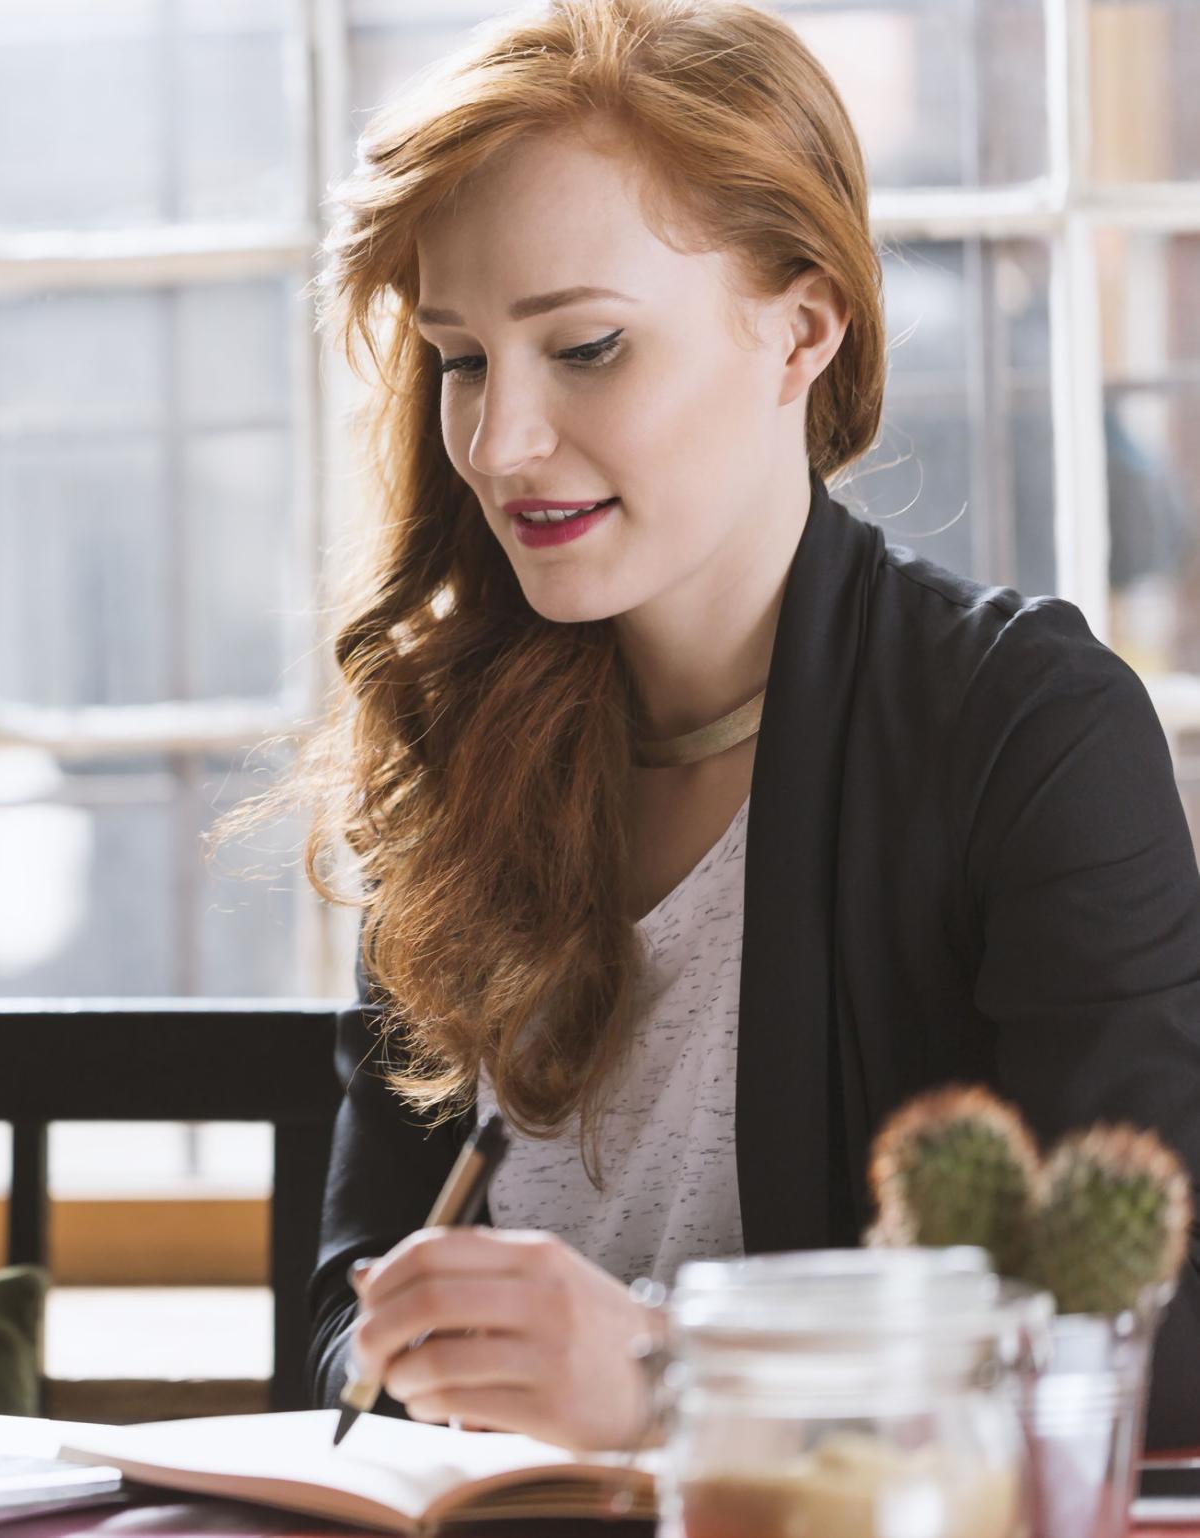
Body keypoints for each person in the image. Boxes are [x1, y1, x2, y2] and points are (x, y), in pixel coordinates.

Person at [247, 0, 1200, 1453]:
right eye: (459, 358)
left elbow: (1161, 1332)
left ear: (802, 329)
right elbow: (343, 1310)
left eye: (586, 347)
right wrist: (407, 1357)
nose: (500, 442)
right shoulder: (464, 745)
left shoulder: (1027, 733)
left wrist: (676, 1379)